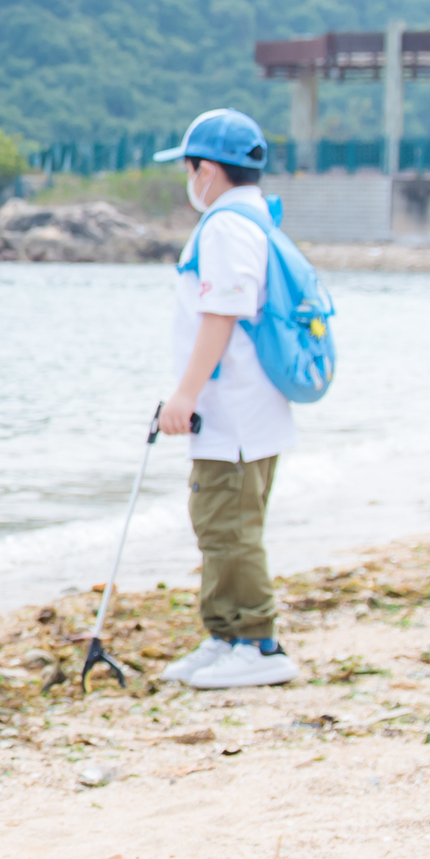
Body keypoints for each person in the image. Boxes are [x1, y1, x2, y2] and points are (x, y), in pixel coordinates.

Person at [150, 108, 300, 689]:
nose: (189, 180)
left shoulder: (225, 226)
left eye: (189, 168)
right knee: (222, 522)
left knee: (228, 527)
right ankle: (224, 635)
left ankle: (259, 643)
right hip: (248, 409)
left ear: (206, 170)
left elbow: (221, 313)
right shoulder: (254, 220)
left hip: (234, 410)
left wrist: (183, 395)